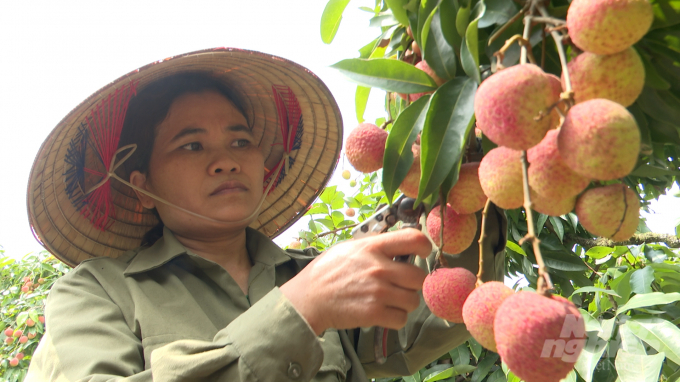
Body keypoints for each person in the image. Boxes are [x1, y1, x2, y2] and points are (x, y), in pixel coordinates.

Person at [25, 48, 507, 382]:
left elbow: (430, 322)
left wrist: (467, 165)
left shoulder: (307, 272)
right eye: (191, 144)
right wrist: (299, 309)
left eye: (241, 141)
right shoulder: (96, 292)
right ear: (143, 187)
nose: (227, 159)